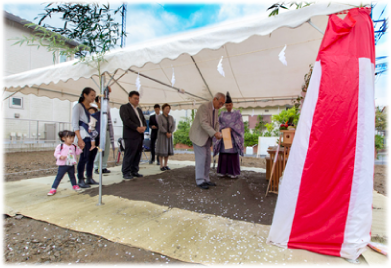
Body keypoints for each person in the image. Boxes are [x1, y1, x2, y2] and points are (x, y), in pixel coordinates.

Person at [189, 92, 225, 189]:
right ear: (215, 99)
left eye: (223, 104)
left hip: (207, 138)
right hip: (198, 137)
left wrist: (217, 132)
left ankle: (206, 179)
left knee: (208, 159)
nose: (221, 106)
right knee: (201, 159)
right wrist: (214, 133)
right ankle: (200, 181)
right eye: (220, 103)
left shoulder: (216, 109)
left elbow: (217, 123)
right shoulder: (204, 107)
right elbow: (203, 123)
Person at [72, 87, 99, 188]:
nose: (93, 97)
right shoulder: (78, 106)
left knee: (91, 158)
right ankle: (80, 179)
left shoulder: (92, 108)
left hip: (92, 136)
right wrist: (79, 138)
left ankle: (89, 177)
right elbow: (75, 123)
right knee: (83, 158)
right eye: (91, 95)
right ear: (85, 95)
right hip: (83, 136)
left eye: (94, 95)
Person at [213, 92, 244, 178]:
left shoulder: (237, 113)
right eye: (226, 105)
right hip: (224, 135)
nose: (228, 107)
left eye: (230, 105)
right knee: (223, 154)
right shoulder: (222, 114)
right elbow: (218, 123)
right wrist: (223, 128)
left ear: (232, 104)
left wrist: (231, 128)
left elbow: (240, 124)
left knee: (232, 154)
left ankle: (233, 173)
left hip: (233, 136)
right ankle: (222, 172)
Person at [120, 91, 147, 180]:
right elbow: (126, 120)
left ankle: (134, 170)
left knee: (137, 154)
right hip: (130, 135)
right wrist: (136, 128)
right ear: (129, 98)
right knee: (129, 154)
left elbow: (143, 119)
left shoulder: (138, 109)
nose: (137, 100)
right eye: (135, 98)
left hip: (139, 135)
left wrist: (144, 127)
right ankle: (126, 172)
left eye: (138, 99)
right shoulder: (124, 107)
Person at [47, 130, 82, 196]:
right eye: (70, 138)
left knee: (72, 176)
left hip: (71, 164)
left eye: (73, 138)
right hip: (63, 165)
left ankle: (74, 185)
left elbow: (77, 153)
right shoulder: (60, 146)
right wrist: (60, 157)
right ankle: (53, 188)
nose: (72, 139)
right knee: (59, 177)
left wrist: (81, 149)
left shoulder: (73, 146)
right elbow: (56, 154)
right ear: (63, 138)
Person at [94, 94, 114, 174]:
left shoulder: (107, 110)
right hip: (100, 131)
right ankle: (96, 167)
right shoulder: (96, 111)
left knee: (106, 150)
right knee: (100, 149)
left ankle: (103, 166)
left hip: (107, 130)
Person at [156, 103, 175, 171]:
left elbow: (173, 125)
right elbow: (160, 126)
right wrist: (166, 132)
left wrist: (170, 132)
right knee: (162, 150)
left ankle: (165, 165)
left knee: (167, 150)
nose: (168, 110)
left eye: (169, 109)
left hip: (169, 136)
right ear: (163, 109)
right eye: (166, 108)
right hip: (162, 135)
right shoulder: (160, 117)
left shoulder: (171, 117)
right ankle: (161, 166)